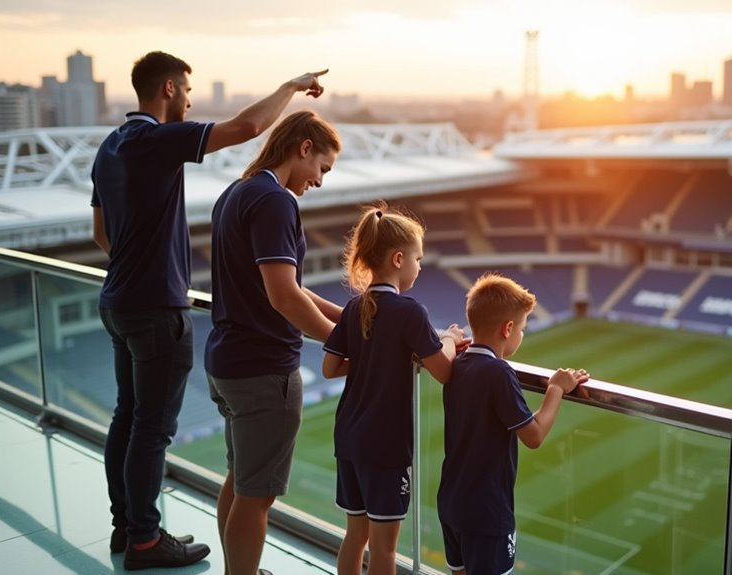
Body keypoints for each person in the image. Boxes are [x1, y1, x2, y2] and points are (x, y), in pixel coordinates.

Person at [90, 49, 328, 571]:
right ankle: (145, 539)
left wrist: (135, 265)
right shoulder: (156, 139)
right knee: (152, 428)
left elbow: (100, 233)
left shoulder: (109, 147)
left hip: (117, 301)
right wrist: (292, 86)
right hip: (156, 309)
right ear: (168, 89)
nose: (190, 101)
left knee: (127, 417)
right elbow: (246, 127)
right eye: (187, 91)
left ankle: (126, 527)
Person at [205, 109, 343, 575]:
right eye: (322, 167)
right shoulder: (276, 202)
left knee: (240, 480)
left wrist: (347, 321)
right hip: (263, 370)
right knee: (256, 495)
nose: (319, 181)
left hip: (227, 362)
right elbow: (284, 297)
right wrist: (346, 345)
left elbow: (292, 287)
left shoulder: (237, 192)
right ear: (304, 148)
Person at [322, 204, 469, 575]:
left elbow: (329, 368)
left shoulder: (354, 307)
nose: (420, 266)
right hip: (385, 447)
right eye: (418, 259)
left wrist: (373, 359)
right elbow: (444, 372)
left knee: (355, 536)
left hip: (349, 437)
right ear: (398, 259)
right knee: (385, 550)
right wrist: (449, 339)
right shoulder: (410, 312)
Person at [436, 273, 590, 575]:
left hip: (451, 503)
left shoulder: (458, 363)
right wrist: (555, 388)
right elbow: (533, 436)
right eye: (522, 329)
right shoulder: (499, 373)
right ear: (507, 329)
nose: (521, 334)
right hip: (487, 513)